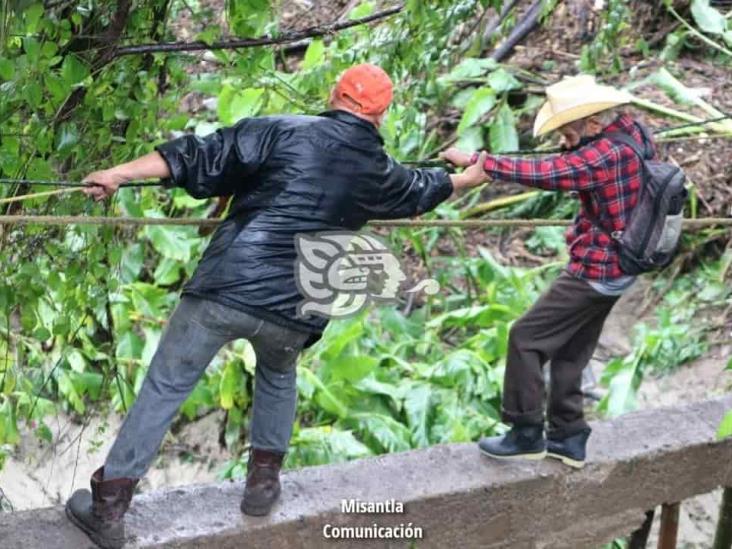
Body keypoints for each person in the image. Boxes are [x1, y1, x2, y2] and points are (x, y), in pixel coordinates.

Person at [65, 63, 490, 549]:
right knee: (278, 373)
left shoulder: (281, 130)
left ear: (335, 95)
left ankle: (108, 508)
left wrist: (118, 174)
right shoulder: (380, 171)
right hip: (298, 307)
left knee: (167, 385)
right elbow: (422, 188)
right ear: (381, 114)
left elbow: (200, 156)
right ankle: (262, 487)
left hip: (227, 288)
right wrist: (469, 177)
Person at [441, 74, 650, 470]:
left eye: (568, 132)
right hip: (623, 266)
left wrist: (480, 164)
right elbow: (573, 160)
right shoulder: (631, 132)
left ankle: (525, 431)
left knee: (526, 337)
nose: (565, 140)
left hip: (598, 269)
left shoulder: (605, 155)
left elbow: (553, 172)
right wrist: (575, 145)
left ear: (592, 124)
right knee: (571, 350)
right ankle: (569, 435)